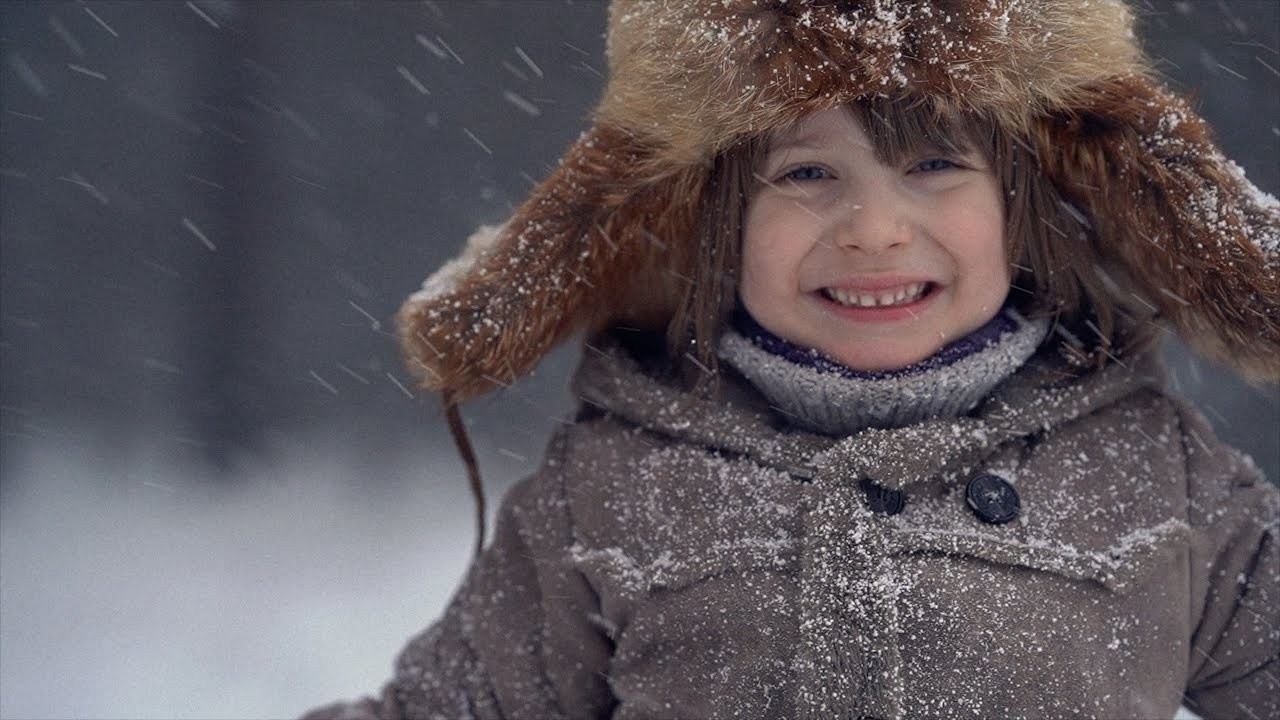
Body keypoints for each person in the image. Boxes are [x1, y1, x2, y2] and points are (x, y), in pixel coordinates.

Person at [306, 1, 1279, 718]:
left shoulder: (1153, 476)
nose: (874, 231)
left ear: (1018, 202)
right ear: (715, 220)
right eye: (808, 173)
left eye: (933, 164)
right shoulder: (615, 487)